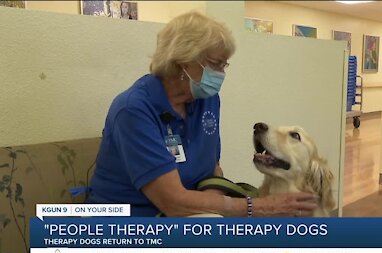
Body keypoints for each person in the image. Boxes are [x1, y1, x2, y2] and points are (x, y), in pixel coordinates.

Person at [86, 11, 318, 219]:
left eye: (224, 65)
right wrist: (257, 207)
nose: (220, 74)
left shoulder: (207, 100)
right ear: (181, 60)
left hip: (184, 214)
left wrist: (212, 204)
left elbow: (213, 169)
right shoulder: (133, 110)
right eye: (215, 64)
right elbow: (173, 202)